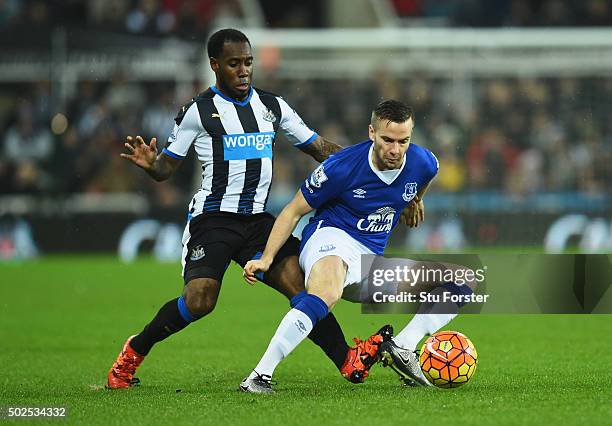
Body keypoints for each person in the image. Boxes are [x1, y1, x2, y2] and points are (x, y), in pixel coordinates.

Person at [106, 29, 404, 389]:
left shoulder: (271, 106)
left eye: (248, 62)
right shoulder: (198, 112)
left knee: (304, 287)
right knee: (200, 301)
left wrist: (377, 166)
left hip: (257, 222)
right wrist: (152, 163)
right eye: (234, 64)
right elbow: (166, 169)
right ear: (215, 66)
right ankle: (133, 352)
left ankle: (347, 360)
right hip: (212, 221)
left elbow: (320, 147)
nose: (244, 70)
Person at [241, 99, 477, 393]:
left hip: (369, 265)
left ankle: (402, 347)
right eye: (387, 140)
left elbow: (424, 177)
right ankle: (259, 375)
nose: (395, 150)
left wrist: (414, 200)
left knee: (463, 281)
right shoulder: (341, 167)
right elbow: (292, 211)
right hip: (331, 239)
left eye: (403, 141)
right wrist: (266, 258)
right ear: (371, 133)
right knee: (326, 293)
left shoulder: (423, 162)